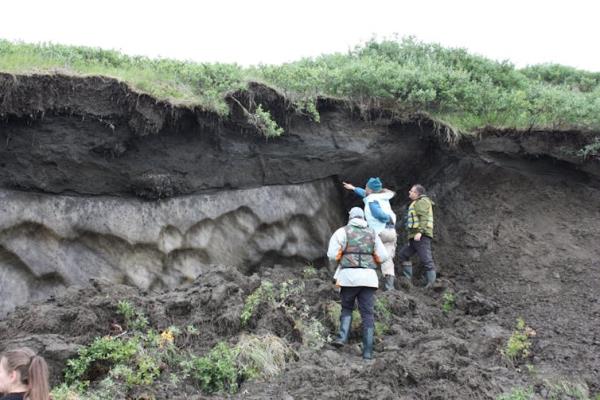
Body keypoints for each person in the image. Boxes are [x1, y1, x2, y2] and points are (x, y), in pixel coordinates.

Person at [327, 207, 389, 360]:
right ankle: (368, 353)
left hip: (349, 277)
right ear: (363, 218)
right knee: (367, 314)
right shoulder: (373, 233)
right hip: (368, 279)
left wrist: (344, 255)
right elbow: (383, 257)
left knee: (347, 307)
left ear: (350, 218)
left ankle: (342, 338)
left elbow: (332, 255)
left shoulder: (342, 232)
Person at [342, 178, 397, 291]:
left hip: (380, 232)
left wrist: (387, 218)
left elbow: (379, 214)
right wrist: (353, 188)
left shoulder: (372, 201)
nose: (365, 188)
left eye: (367, 187)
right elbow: (365, 193)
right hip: (391, 232)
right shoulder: (382, 196)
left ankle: (365, 281)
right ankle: (389, 286)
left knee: (367, 253)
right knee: (387, 258)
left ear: (371, 189)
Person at [398, 184, 437, 288]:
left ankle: (432, 285)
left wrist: (420, 232)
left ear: (417, 193)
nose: (409, 193)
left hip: (421, 236)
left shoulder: (422, 202)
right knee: (403, 254)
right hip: (414, 237)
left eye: (411, 191)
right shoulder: (416, 202)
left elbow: (424, 218)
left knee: (426, 259)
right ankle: (408, 281)